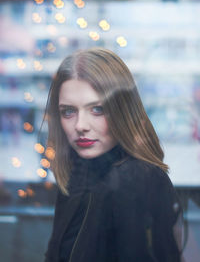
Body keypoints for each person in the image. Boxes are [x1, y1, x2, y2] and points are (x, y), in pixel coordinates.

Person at [44, 47, 184, 262]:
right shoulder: (77, 173)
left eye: (97, 109)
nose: (80, 126)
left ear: (122, 111)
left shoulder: (135, 178)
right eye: (68, 111)